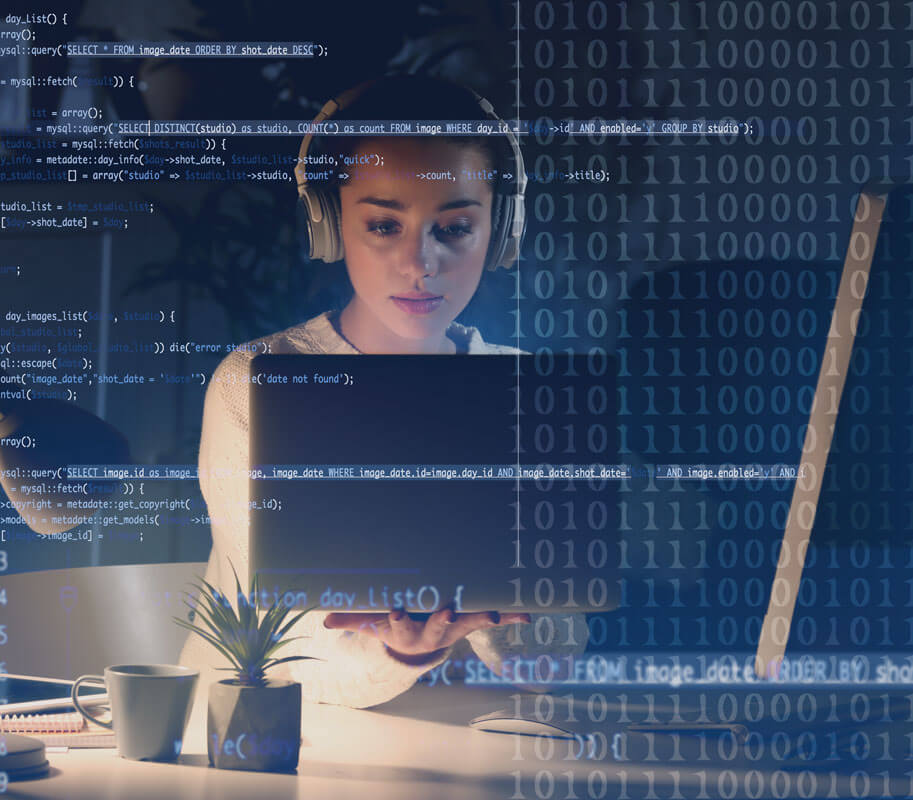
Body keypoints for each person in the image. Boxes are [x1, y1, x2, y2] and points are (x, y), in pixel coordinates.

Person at [179, 75, 589, 709]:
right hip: (274, 744)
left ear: (500, 227)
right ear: (332, 222)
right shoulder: (256, 382)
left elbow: (554, 661)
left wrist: (502, 620)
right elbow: (268, 645)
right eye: (383, 225)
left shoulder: (524, 388)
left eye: (453, 228)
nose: (420, 263)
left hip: (476, 747)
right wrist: (402, 650)